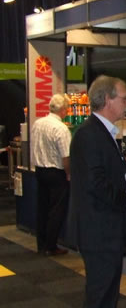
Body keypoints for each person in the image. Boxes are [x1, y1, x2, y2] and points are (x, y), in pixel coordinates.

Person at [67, 75, 126, 308]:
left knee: (108, 295)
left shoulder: (102, 133)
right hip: (99, 231)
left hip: (107, 229)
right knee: (98, 298)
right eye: (124, 98)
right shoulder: (89, 135)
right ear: (107, 100)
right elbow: (97, 185)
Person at [31, 93, 71, 256]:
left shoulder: (38, 124)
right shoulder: (61, 129)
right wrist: (69, 174)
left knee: (42, 208)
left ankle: (41, 244)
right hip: (56, 173)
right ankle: (51, 246)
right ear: (63, 110)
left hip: (40, 171)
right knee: (56, 210)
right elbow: (66, 156)